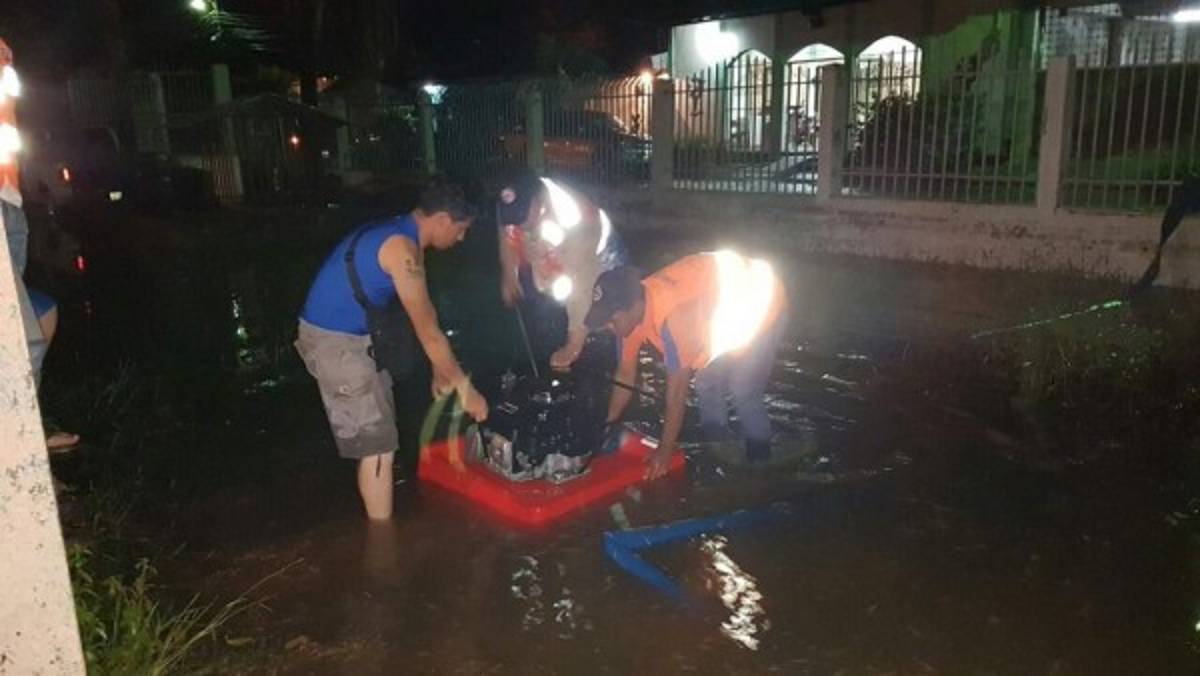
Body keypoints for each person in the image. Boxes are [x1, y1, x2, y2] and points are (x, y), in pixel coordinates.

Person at [296, 178, 488, 520]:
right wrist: (466, 389)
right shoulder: (403, 251)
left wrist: (438, 370)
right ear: (442, 220)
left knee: (383, 434)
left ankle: (381, 526)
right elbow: (429, 333)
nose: (461, 238)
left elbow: (424, 317)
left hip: (359, 337)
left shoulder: (404, 234)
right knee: (378, 448)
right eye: (461, 229)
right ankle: (382, 546)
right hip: (335, 343)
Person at [585, 252, 788, 478]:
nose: (608, 328)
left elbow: (677, 393)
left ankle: (760, 459)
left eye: (612, 320)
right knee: (706, 384)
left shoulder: (674, 318)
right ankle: (718, 445)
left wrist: (665, 450)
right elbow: (624, 375)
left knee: (743, 389)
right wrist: (606, 426)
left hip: (763, 297)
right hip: (716, 303)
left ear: (634, 308)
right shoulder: (629, 320)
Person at [495, 172, 628, 370]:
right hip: (554, 246)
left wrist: (573, 346)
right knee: (546, 298)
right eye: (514, 218)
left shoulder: (571, 215)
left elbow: (581, 280)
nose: (519, 223)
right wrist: (509, 274)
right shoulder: (510, 206)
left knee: (606, 315)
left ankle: (597, 347)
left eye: (523, 216)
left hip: (601, 258)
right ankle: (566, 329)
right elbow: (506, 235)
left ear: (537, 200)